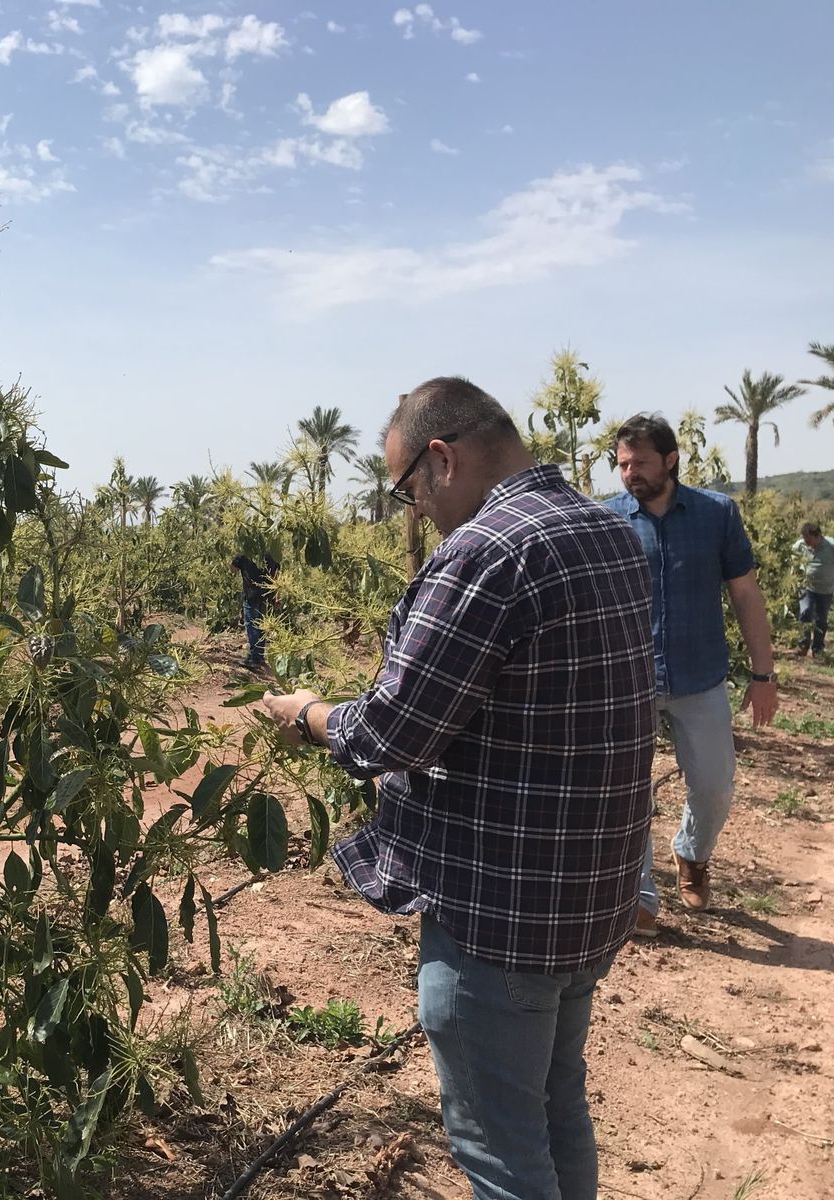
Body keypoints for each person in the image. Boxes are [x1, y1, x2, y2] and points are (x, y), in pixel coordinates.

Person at [262, 378, 654, 1200]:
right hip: (588, 897)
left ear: (442, 460)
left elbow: (393, 730)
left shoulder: (488, 552)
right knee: (555, 1111)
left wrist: (308, 715)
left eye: (408, 491)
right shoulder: (606, 531)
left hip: (501, 915)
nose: (415, 515)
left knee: (502, 1155)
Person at [607, 415, 778, 929]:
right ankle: (638, 897)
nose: (630, 473)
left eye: (640, 462)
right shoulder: (608, 519)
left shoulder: (716, 513)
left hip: (699, 675)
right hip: (629, 680)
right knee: (626, 791)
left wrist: (764, 675)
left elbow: (745, 594)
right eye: (622, 464)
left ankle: (692, 852)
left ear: (671, 459)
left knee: (714, 786)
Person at [230, 552, 279, 670]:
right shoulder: (270, 553)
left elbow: (233, 569)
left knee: (252, 626)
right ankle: (260, 656)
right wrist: (276, 596)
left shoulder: (244, 554)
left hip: (251, 595)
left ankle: (254, 659)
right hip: (265, 595)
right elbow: (277, 575)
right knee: (261, 626)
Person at [794, 520, 834, 659]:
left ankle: (817, 649)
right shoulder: (801, 545)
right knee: (805, 612)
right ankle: (802, 645)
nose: (806, 542)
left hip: (826, 590)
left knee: (821, 620)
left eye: (809, 539)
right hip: (807, 587)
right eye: (805, 539)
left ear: (818, 536)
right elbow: (791, 557)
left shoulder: (831, 545)